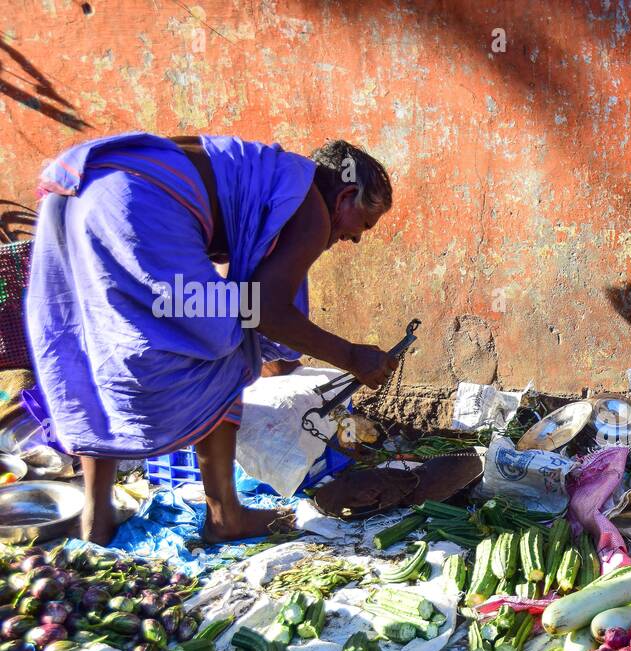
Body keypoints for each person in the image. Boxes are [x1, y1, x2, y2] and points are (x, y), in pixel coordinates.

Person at [24, 133, 400, 544]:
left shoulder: (269, 179)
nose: (358, 238)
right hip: (134, 202)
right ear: (345, 195)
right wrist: (351, 356)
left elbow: (242, 288)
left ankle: (96, 520)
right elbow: (264, 311)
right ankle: (225, 514)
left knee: (96, 349)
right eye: (363, 223)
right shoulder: (311, 208)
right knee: (227, 345)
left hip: (77, 190)